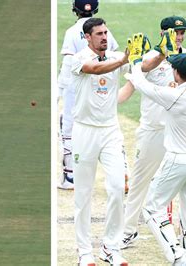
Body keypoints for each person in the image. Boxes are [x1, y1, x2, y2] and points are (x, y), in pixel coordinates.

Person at [118, 16, 186, 257]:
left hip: (179, 133)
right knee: (140, 182)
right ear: (163, 33)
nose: (180, 36)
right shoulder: (151, 56)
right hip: (153, 130)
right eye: (175, 32)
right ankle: (128, 231)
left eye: (182, 32)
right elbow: (138, 76)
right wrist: (156, 56)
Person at [70, 18, 129, 266]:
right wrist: (123, 60)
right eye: (99, 33)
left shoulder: (115, 57)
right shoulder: (79, 58)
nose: (104, 37)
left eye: (106, 32)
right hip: (84, 132)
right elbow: (95, 70)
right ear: (87, 37)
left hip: (110, 131)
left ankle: (111, 247)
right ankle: (84, 251)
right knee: (83, 193)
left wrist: (161, 51)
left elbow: (144, 67)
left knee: (117, 188)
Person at [57, 0, 119, 190]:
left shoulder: (70, 32)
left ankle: (70, 176)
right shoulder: (104, 30)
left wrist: (59, 91)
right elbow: (112, 56)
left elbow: (68, 65)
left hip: (75, 87)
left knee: (68, 127)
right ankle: (121, 172)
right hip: (101, 87)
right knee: (109, 128)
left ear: (74, 10)